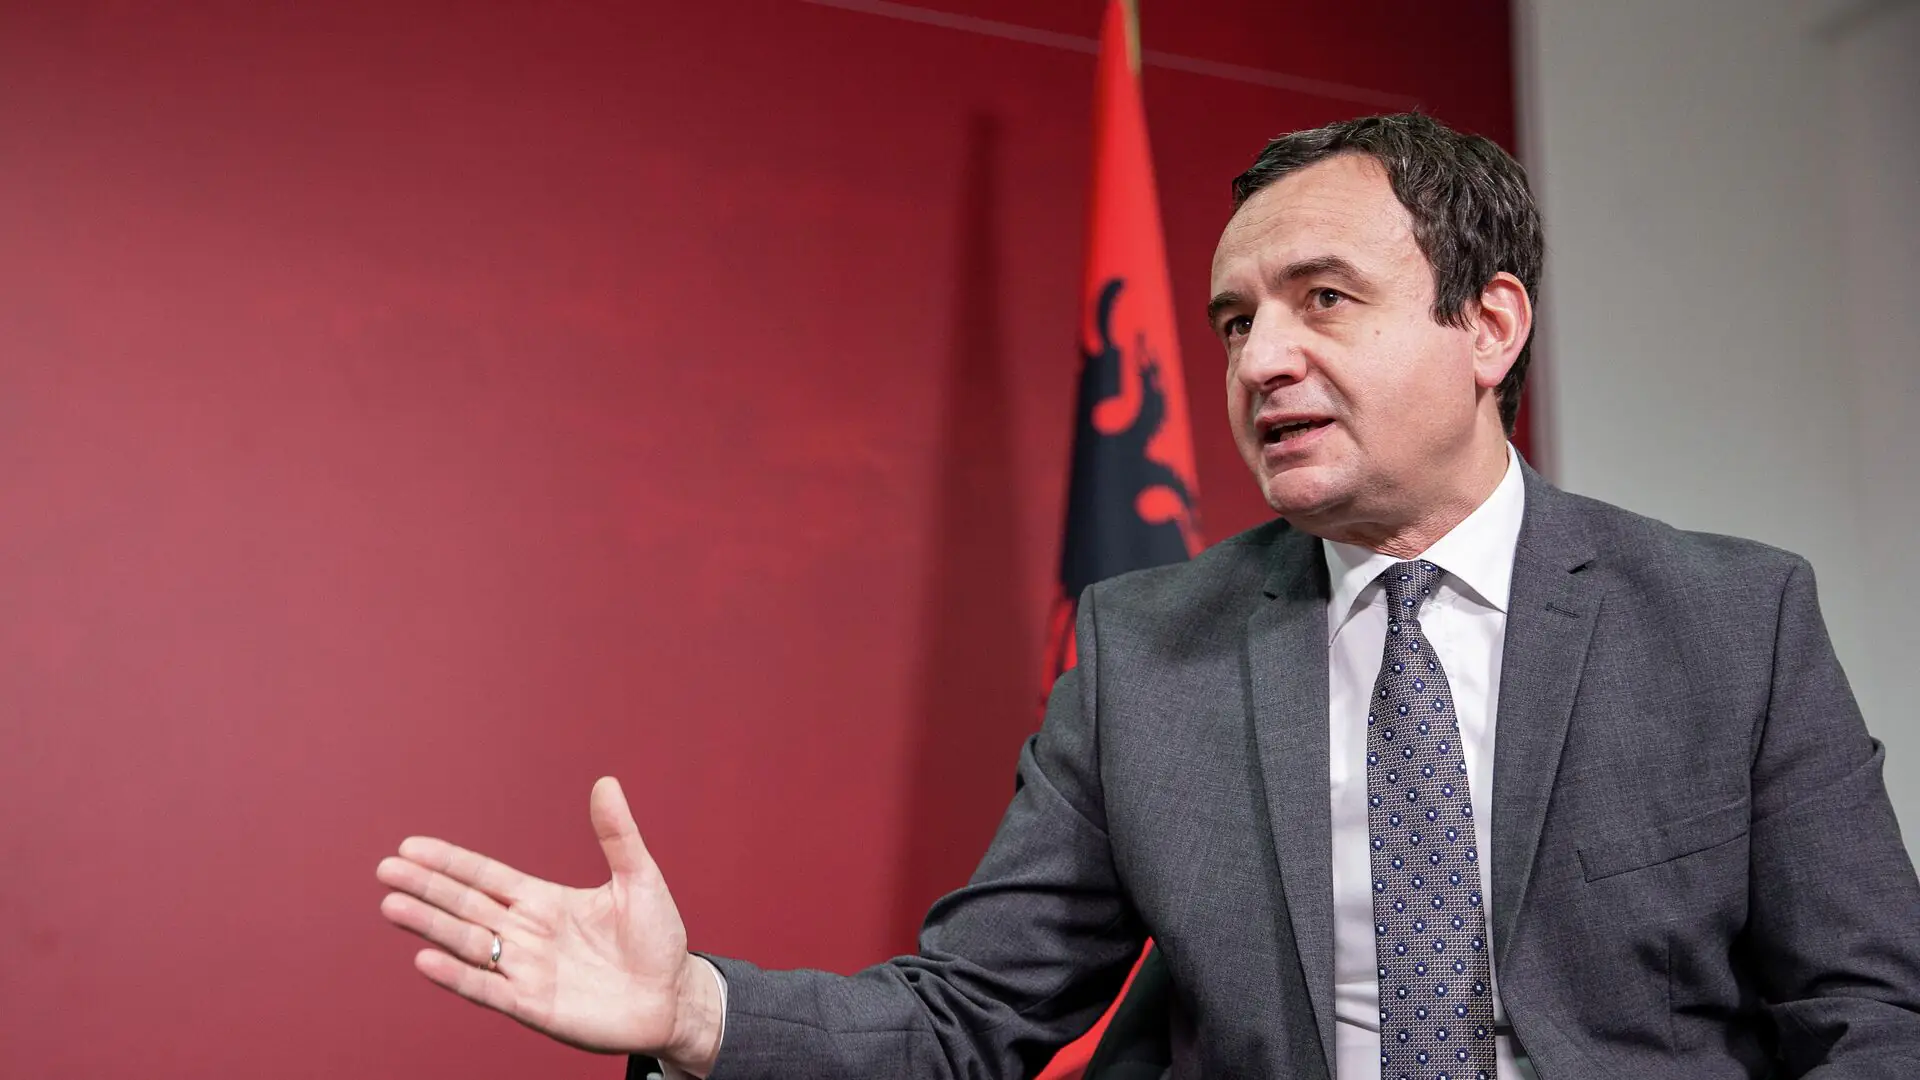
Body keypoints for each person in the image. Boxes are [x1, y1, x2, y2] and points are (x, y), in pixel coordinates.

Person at [374, 113, 1920, 1078]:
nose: (1260, 361)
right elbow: (973, 1016)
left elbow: (1868, 1018)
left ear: (1489, 326)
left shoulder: (1732, 625)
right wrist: (695, 1010)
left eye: (1324, 302)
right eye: (1235, 322)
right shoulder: (1145, 653)